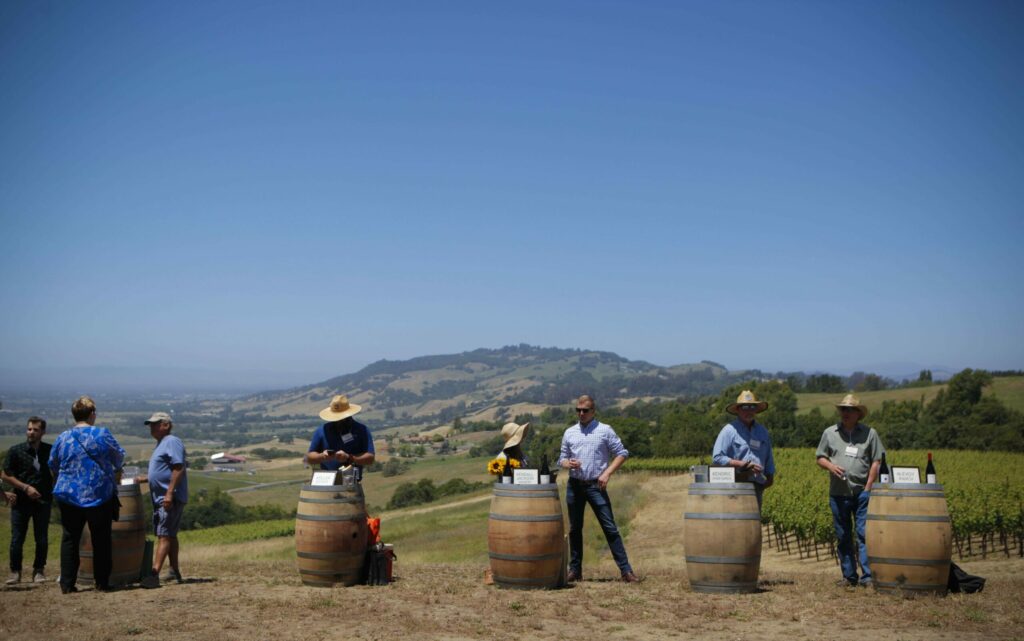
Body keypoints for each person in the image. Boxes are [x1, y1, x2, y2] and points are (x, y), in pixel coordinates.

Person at [558, 395, 639, 584]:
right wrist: (567, 463)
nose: (581, 413)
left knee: (609, 527)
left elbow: (622, 453)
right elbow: (561, 458)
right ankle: (575, 570)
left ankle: (626, 571)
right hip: (574, 485)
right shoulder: (569, 432)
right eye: (578, 410)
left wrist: (607, 473)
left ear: (593, 411)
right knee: (575, 529)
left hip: (596, 485)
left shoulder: (605, 430)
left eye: (585, 410)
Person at [48, 396, 125, 594]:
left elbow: (52, 463)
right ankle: (102, 582)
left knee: (70, 538)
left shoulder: (63, 437)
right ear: (92, 414)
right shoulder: (102, 434)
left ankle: (67, 584)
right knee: (101, 538)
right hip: (98, 494)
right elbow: (119, 457)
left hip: (68, 495)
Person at [815, 393, 884, 588]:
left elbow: (877, 461)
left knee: (863, 534)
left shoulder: (870, 433)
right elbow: (820, 457)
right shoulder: (830, 433)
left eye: (850, 410)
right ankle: (849, 576)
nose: (845, 413)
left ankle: (868, 577)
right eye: (843, 409)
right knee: (843, 535)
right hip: (838, 494)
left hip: (862, 493)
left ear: (858, 414)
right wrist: (830, 466)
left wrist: (868, 488)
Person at [135, 412, 188, 588]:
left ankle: (154, 574)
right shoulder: (161, 443)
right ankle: (173, 570)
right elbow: (163, 470)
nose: (152, 427)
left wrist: (169, 493)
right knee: (169, 534)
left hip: (169, 497)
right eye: (151, 424)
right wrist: (145, 478)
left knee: (164, 534)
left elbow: (178, 468)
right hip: (163, 497)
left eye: (155, 424)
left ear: (166, 425)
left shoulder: (171, 441)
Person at [2, 416, 54, 584]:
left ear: (43, 432)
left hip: (43, 501)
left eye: (35, 430)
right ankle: (15, 572)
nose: (31, 432)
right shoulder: (16, 451)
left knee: (42, 538)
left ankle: (39, 571)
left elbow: (58, 471)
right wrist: (25, 487)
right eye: (29, 429)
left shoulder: (50, 450)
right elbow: (5, 475)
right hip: (21, 501)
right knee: (17, 538)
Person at [712, 390, 776, 509]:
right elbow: (717, 457)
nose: (749, 411)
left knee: (754, 519)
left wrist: (770, 479)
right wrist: (743, 464)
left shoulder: (762, 432)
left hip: (757, 486)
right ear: (738, 410)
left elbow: (769, 458)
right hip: (734, 486)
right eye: (745, 407)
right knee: (734, 519)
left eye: (752, 407)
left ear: (756, 410)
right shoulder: (729, 431)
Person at [306, 395, 375, 481]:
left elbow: (370, 458)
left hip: (351, 482)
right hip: (326, 481)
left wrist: (349, 458)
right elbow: (309, 457)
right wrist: (322, 456)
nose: (339, 421)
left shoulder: (362, 430)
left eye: (342, 418)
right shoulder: (321, 431)